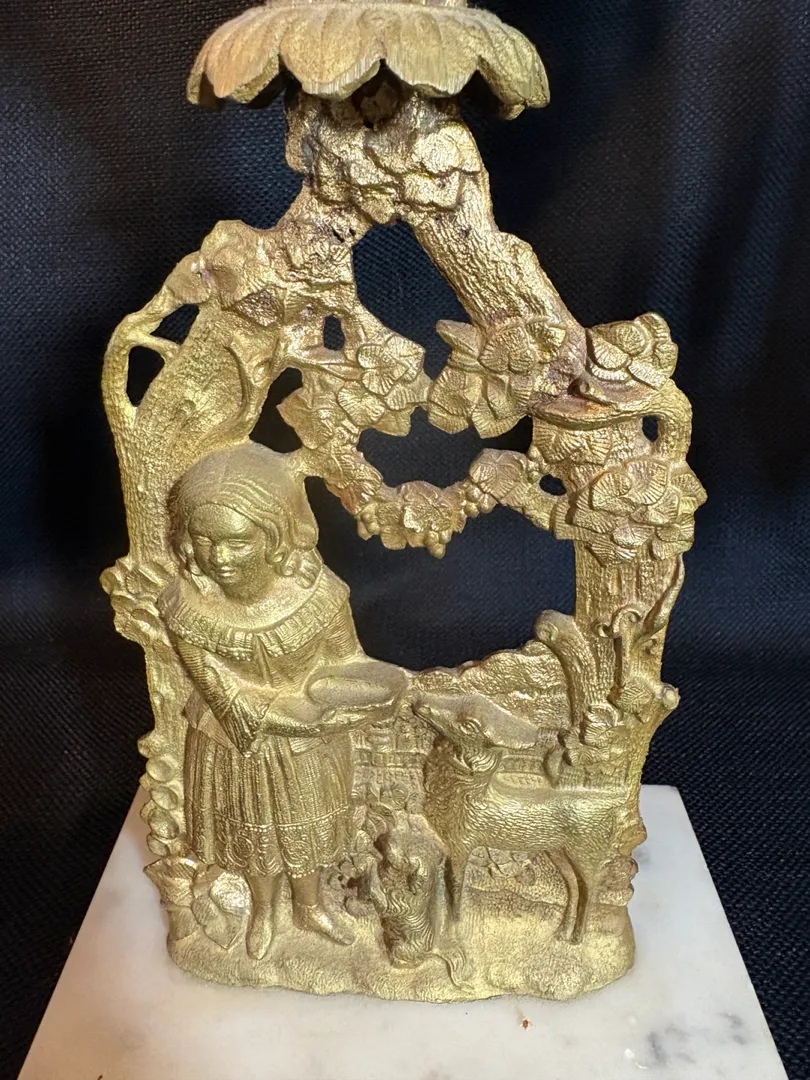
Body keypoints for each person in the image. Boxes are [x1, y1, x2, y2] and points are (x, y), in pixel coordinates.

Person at [158, 441, 403, 958]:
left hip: (308, 742)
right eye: (204, 541)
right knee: (254, 832)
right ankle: (265, 910)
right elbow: (221, 693)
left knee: (305, 828)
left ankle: (309, 906)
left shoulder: (320, 596)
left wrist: (379, 691)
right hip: (236, 740)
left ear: (274, 536)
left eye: (237, 541)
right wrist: (290, 717)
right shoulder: (185, 606)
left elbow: (348, 661)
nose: (219, 557)